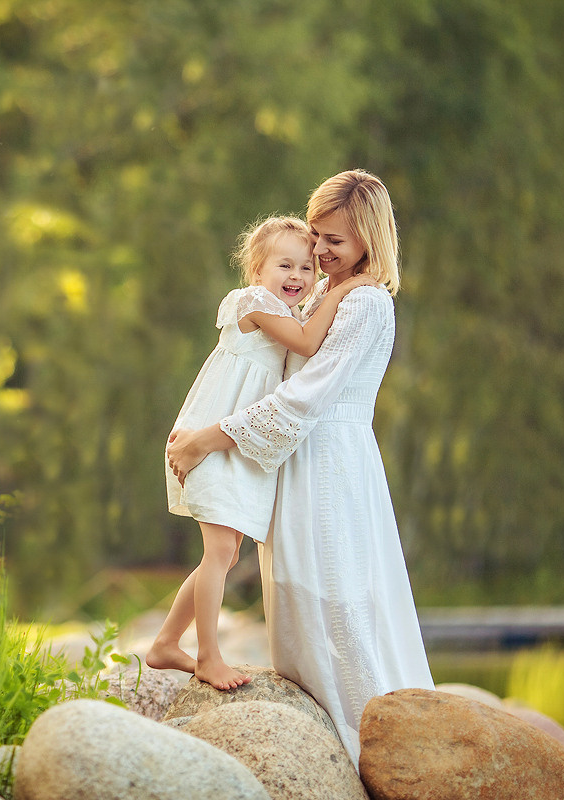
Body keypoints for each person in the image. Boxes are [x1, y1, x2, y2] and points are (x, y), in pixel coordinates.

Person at [165, 169, 435, 765]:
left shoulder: (364, 303)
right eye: (316, 235)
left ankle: (369, 742)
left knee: (335, 589)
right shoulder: (318, 292)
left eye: (334, 242)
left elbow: (305, 395)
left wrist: (212, 436)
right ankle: (319, 734)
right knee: (298, 592)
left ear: (370, 238)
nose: (318, 250)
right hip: (294, 457)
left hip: (330, 464)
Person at [147, 216, 374, 691]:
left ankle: (167, 644)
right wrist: (342, 287)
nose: (297, 276)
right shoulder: (251, 303)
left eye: (308, 268)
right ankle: (208, 655)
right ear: (256, 270)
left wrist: (328, 292)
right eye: (284, 265)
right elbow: (309, 343)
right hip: (208, 438)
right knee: (220, 552)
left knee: (225, 556)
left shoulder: (287, 311)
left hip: (233, 443)